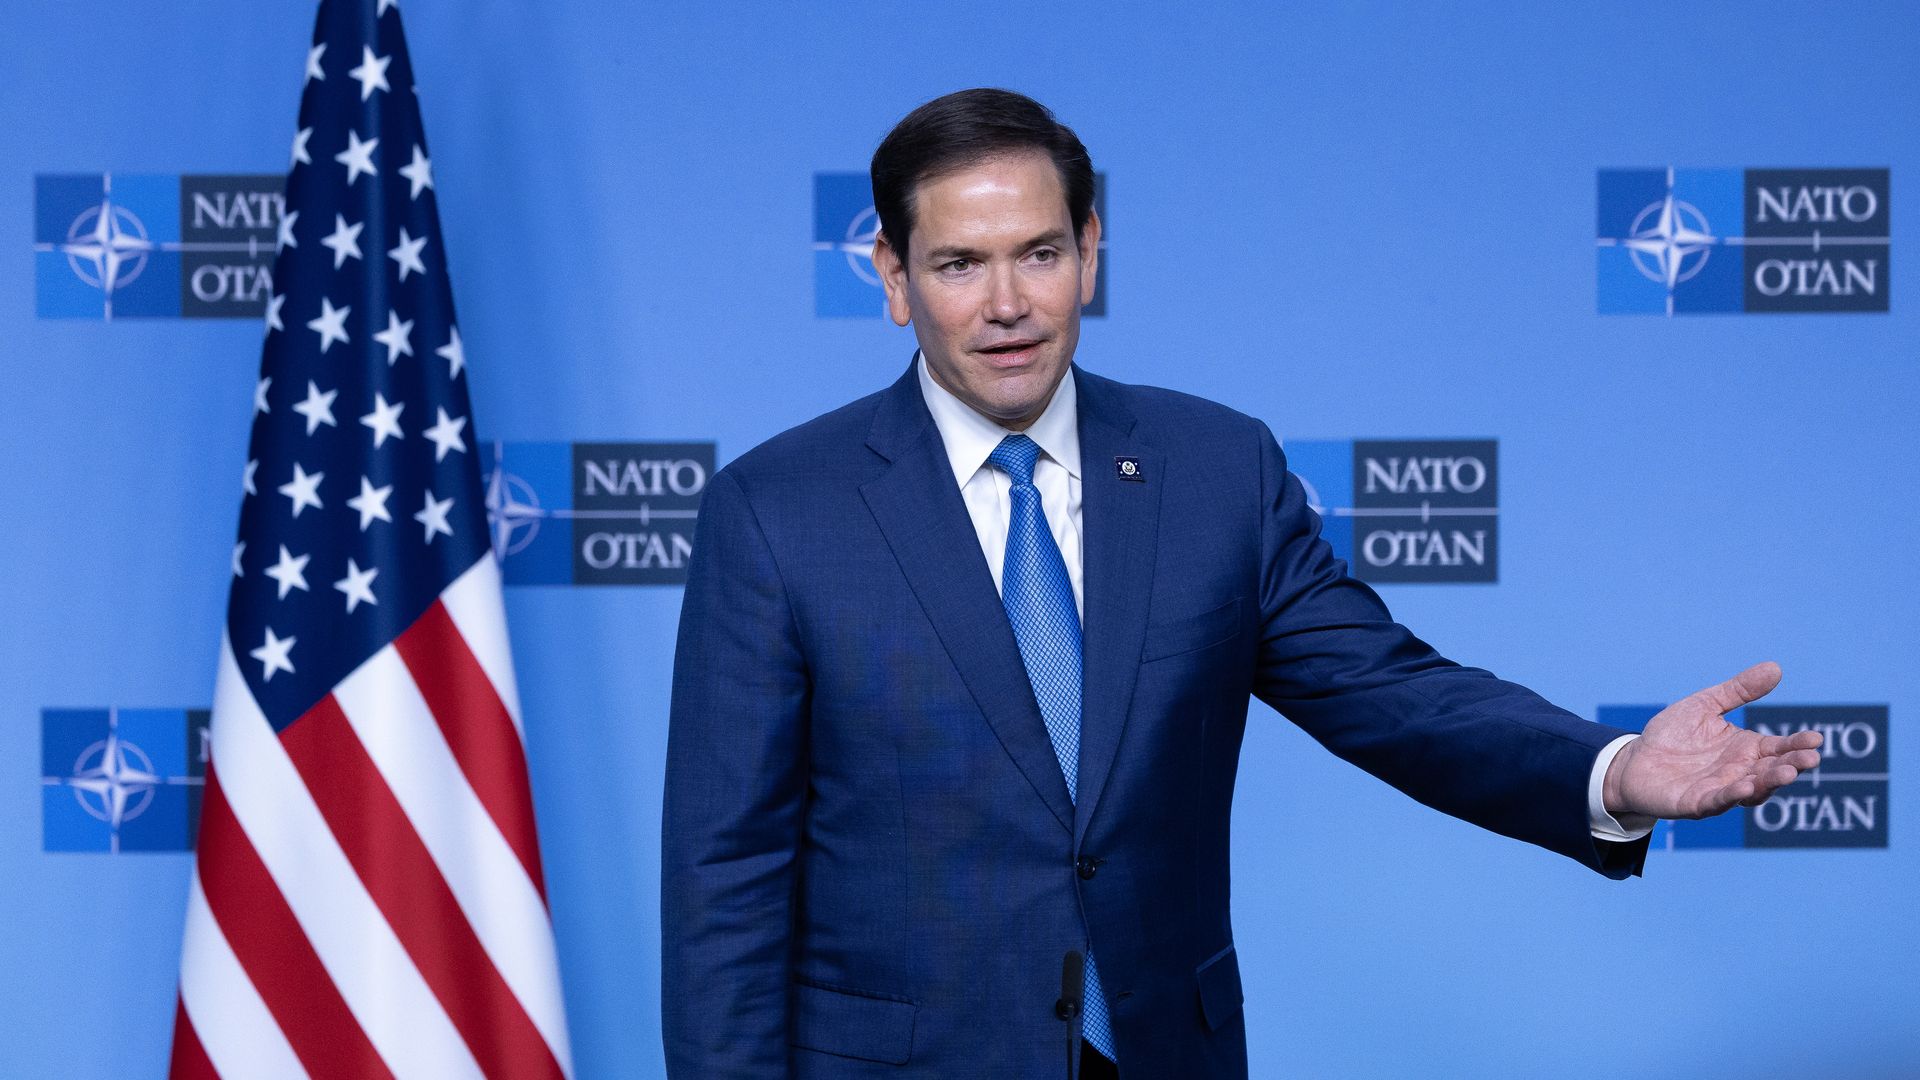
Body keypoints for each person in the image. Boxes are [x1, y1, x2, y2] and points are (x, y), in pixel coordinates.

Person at [660, 88, 1823, 1079]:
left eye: (1040, 254)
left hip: (1169, 1046)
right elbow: (727, 877)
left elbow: (1390, 693)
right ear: (895, 276)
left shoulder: (1216, 469)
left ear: (1091, 253)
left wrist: (1613, 768)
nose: (1007, 303)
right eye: (960, 264)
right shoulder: (778, 512)